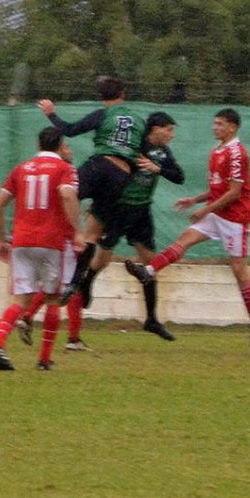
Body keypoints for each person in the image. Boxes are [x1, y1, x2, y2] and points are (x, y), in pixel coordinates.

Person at [123, 108, 250, 345]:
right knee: (184, 240)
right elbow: (218, 189)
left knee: (239, 270)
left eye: (220, 124)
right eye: (214, 123)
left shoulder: (237, 153)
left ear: (232, 127)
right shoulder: (217, 151)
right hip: (216, 213)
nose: (215, 127)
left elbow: (235, 192)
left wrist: (205, 209)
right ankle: (149, 271)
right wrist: (194, 200)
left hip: (235, 218)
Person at [77, 111, 184, 341]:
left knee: (150, 264)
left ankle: (151, 320)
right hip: (118, 208)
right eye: (169, 130)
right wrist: (99, 201)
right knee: (103, 257)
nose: (172, 135)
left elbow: (179, 176)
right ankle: (86, 282)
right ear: (156, 128)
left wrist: (159, 169)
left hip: (141, 211)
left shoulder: (162, 153)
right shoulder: (133, 145)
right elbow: (110, 172)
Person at [39, 76, 146, 304]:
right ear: (123, 94)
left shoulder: (103, 114)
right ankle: (75, 282)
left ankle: (32, 232)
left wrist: (50, 113)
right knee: (92, 235)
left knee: (61, 196)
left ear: (101, 97)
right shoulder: (138, 120)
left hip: (100, 165)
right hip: (121, 176)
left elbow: (70, 129)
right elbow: (142, 150)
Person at [0, 127, 84, 371]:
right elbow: (68, 196)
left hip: (21, 241)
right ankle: (44, 359)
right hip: (51, 242)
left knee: (21, 300)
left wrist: (1, 240)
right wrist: (79, 231)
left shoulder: (22, 169)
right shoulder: (65, 169)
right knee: (52, 299)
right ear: (60, 145)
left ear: (38, 144)